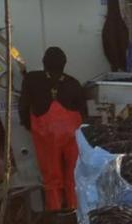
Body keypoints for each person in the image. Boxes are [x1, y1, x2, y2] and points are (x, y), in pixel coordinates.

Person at [19, 47, 86, 211]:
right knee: (73, 176)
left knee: (52, 177)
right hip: (72, 137)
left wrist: (29, 126)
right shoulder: (73, 83)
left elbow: (23, 106)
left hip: (46, 136)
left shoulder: (31, 79)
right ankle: (74, 214)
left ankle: (56, 216)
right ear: (64, 64)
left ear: (44, 63)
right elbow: (83, 113)